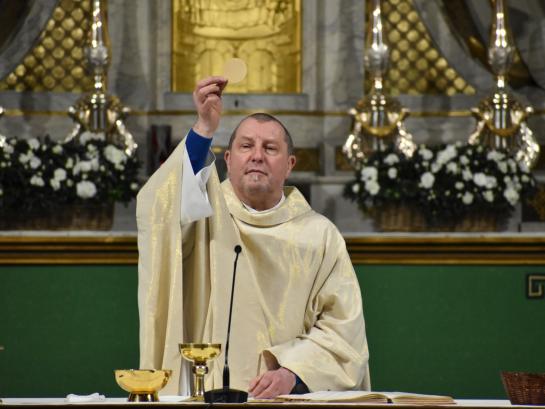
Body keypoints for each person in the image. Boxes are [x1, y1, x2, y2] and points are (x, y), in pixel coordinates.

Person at [137, 76, 370, 398]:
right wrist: (204, 128)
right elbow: (161, 206)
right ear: (228, 161)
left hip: (285, 398)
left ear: (289, 165)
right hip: (205, 393)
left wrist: (293, 372)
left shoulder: (319, 236)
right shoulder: (201, 217)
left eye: (270, 148)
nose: (257, 156)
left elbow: (343, 329)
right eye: (246, 146)